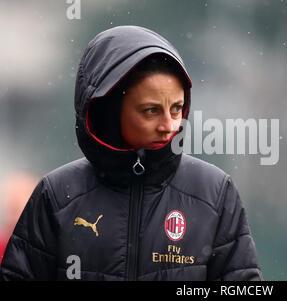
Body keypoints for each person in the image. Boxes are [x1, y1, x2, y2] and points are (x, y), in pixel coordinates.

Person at [0, 25, 262, 281]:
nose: (169, 126)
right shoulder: (56, 194)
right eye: (151, 110)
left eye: (177, 108)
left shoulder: (214, 192)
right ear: (110, 109)